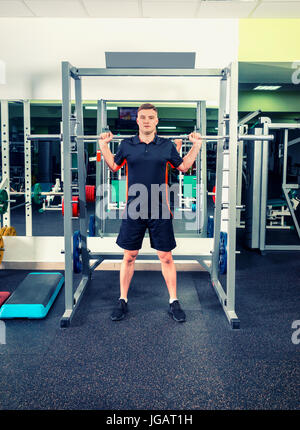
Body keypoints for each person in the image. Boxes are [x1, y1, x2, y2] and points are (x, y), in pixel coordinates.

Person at [98, 103, 202, 322]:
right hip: (133, 207)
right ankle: (122, 300)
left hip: (159, 208)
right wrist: (104, 146)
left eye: (151, 117)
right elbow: (114, 166)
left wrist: (196, 146)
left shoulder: (165, 146)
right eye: (143, 117)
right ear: (137, 120)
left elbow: (183, 167)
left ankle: (174, 301)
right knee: (129, 256)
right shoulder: (127, 145)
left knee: (165, 257)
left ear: (157, 121)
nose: (146, 120)